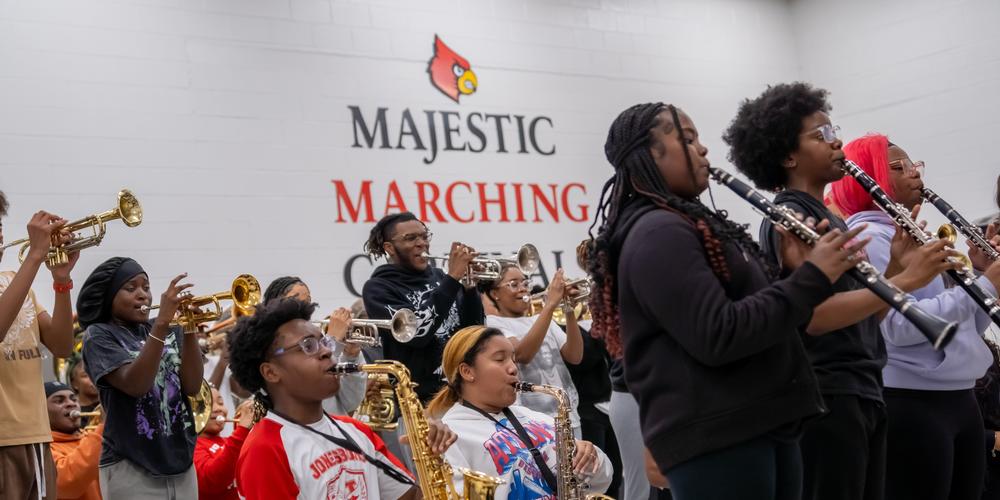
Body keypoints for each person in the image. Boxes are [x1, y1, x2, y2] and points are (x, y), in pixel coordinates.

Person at [585, 101, 872, 500]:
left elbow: (761, 317)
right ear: (649, 154)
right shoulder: (656, 233)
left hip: (760, 423)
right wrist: (813, 278)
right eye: (686, 139)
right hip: (720, 439)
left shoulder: (689, 225)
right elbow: (718, 334)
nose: (702, 149)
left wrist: (792, 273)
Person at [723, 82, 957, 500]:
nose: (838, 143)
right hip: (828, 397)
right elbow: (814, 317)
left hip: (862, 387)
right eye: (822, 136)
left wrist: (895, 266)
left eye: (835, 132)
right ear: (788, 155)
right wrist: (906, 281)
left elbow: (866, 314)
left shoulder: (829, 219)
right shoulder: (790, 217)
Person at [828, 133, 1000, 500]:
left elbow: (967, 329)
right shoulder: (867, 237)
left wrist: (984, 283)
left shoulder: (911, 234)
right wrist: (984, 285)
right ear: (868, 175)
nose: (913, 173)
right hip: (914, 403)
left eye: (913, 164)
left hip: (961, 398)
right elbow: (899, 327)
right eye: (897, 167)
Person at [227, 297, 456, 499]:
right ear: (271, 372)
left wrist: (432, 457)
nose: (327, 351)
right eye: (308, 346)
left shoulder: (357, 430)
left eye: (324, 341)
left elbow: (410, 497)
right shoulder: (264, 450)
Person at [427, 325, 614, 498]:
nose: (514, 368)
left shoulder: (536, 417)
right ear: (467, 371)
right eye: (500, 359)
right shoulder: (449, 434)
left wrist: (591, 458)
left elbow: (601, 482)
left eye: (514, 359)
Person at [79, 257, 203, 499]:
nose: (142, 295)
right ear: (109, 295)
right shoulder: (100, 335)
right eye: (130, 288)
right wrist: (162, 325)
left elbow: (192, 384)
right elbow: (136, 384)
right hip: (131, 465)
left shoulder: (167, 328)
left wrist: (189, 328)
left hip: (182, 463)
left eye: (146, 287)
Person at [0, 197, 79, 500]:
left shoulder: (15, 283)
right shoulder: (21, 278)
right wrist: (35, 254)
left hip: (37, 438)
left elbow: (61, 345)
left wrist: (61, 280)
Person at [362, 212, 484, 403]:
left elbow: (473, 331)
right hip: (420, 401)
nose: (422, 243)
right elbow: (417, 334)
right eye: (411, 238)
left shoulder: (440, 277)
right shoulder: (378, 288)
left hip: (461, 392)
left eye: (424, 236)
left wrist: (470, 288)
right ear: (389, 247)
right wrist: (452, 279)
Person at [484, 266, 584, 434]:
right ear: (495, 294)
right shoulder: (493, 323)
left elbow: (575, 356)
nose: (522, 288)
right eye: (513, 284)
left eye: (524, 282)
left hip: (568, 415)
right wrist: (550, 304)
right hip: (533, 421)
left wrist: (569, 309)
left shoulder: (541, 319)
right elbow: (523, 355)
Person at [262, 276, 366, 416]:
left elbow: (351, 402)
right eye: (296, 300)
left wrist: (351, 355)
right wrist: (333, 339)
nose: (306, 307)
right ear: (275, 305)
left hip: (334, 428)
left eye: (308, 301)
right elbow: (302, 381)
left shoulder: (319, 337)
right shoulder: (272, 347)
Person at [194, 387, 256, 500]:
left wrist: (250, 429)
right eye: (208, 403)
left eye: (220, 402)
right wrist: (241, 430)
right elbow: (213, 479)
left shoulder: (228, 441)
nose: (218, 408)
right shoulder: (193, 447)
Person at [46, 381, 103, 500]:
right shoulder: (44, 448)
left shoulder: (90, 436)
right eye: (59, 401)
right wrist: (103, 427)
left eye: (73, 399)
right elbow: (66, 483)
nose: (71, 404)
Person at [66, 354, 100, 429]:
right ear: (74, 383)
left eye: (96, 373)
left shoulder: (109, 404)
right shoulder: (71, 410)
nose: (93, 378)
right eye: (85, 375)